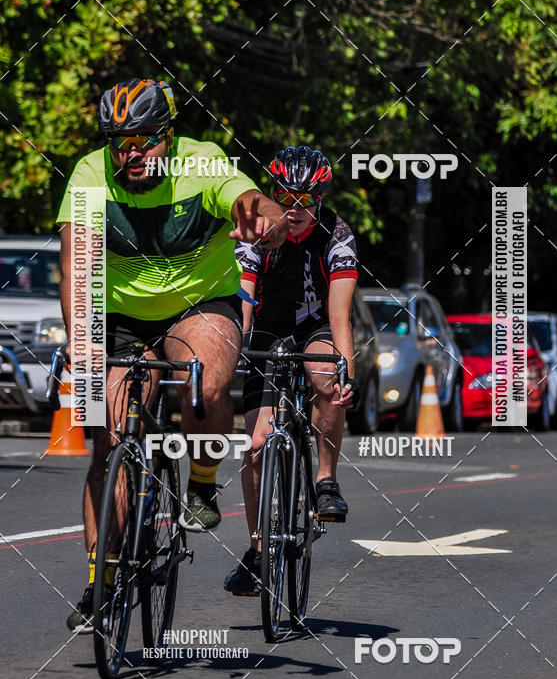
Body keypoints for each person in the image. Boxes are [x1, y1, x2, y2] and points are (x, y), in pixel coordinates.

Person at [57, 78, 288, 630]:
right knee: (107, 437)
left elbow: (251, 200)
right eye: (119, 142)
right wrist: (82, 341)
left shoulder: (202, 163)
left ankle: (203, 481)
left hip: (199, 302)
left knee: (202, 380)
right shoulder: (92, 175)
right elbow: (75, 263)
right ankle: (102, 578)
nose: (130, 154)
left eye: (143, 141)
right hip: (120, 312)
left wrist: (264, 217)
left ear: (169, 134)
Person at [224, 145, 359, 595]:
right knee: (258, 446)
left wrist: (347, 373)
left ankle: (324, 479)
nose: (296, 209)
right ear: (275, 194)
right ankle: (259, 552)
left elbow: (340, 315)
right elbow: (243, 301)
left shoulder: (337, 235)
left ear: (319, 198)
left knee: (325, 373)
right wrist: (233, 348)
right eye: (287, 197)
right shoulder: (259, 233)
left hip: (316, 325)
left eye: (307, 200)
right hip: (268, 327)